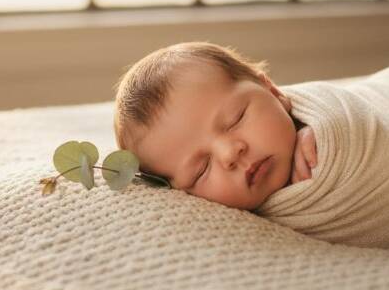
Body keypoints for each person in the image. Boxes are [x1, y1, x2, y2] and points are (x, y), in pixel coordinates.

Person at [113, 41, 318, 210]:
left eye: (235, 119)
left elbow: (341, 108)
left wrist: (320, 129)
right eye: (202, 169)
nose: (230, 154)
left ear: (273, 91)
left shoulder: (323, 126)